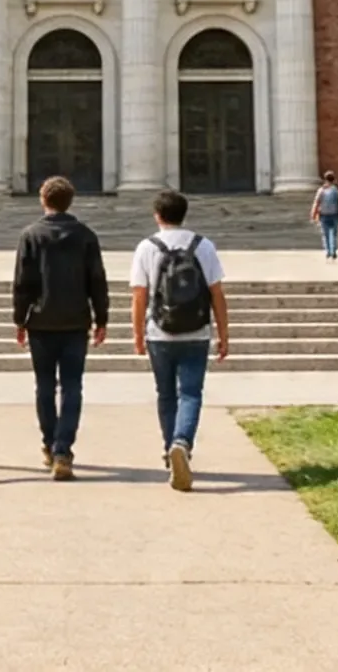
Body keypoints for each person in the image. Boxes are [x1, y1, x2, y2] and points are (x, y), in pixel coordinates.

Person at [130, 190, 229, 492]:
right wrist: (224, 334)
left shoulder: (147, 247)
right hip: (196, 331)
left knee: (166, 394)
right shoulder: (203, 245)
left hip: (159, 331)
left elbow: (139, 295)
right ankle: (182, 442)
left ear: (157, 215)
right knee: (191, 393)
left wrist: (137, 333)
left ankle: (169, 448)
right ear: (184, 214)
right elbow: (216, 293)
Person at [12, 177, 108, 481]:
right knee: (72, 386)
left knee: (44, 385)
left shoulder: (30, 235)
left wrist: (19, 320)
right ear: (71, 200)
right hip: (76, 321)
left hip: (41, 321)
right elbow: (97, 281)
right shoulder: (86, 235)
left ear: (43, 200)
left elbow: (22, 284)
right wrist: (101, 319)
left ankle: (49, 444)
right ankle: (63, 450)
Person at [310, 169, 338, 260]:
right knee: (334, 234)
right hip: (334, 214)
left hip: (323, 215)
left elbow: (316, 202)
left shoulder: (321, 190)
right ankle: (333, 251)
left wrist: (313, 214)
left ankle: (328, 251)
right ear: (334, 179)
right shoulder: (336, 190)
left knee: (326, 234)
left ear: (325, 179)